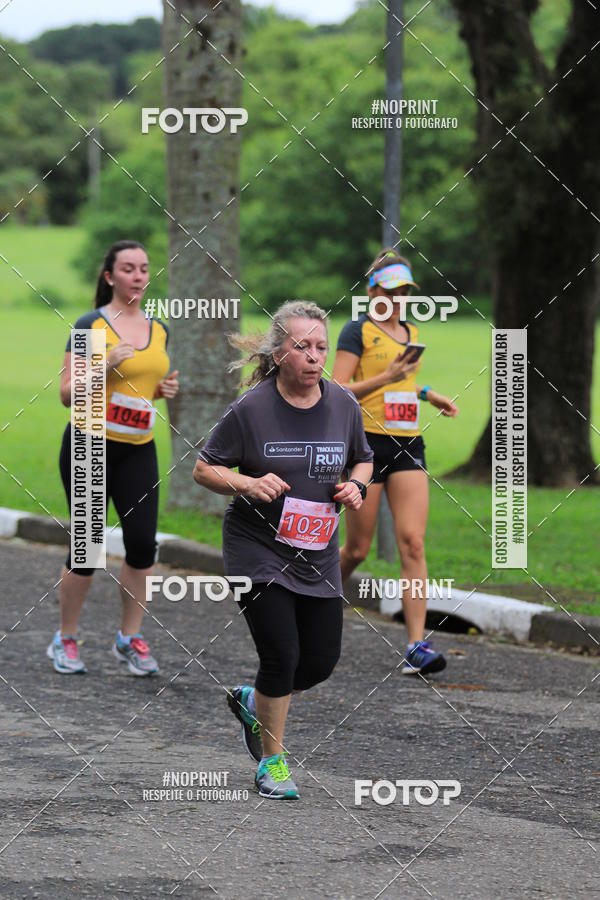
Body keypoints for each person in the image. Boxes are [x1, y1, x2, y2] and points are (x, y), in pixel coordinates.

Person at [193, 301, 373, 799]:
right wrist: (247, 484)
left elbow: (363, 460)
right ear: (277, 354)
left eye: (321, 346)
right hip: (257, 550)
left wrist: (356, 487)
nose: (315, 356)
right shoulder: (250, 410)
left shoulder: (342, 404)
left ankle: (254, 699)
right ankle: (272, 763)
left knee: (318, 663)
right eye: (302, 347)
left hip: (315, 552)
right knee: (282, 654)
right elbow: (205, 470)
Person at [47, 240, 179, 676]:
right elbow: (68, 395)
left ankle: (129, 637)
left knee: (143, 545)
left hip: (139, 447)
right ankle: (65, 638)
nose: (138, 276)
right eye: (128, 268)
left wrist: (161, 391)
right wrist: (104, 366)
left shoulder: (159, 330)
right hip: (89, 443)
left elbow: (142, 385)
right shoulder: (91, 325)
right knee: (87, 548)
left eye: (143, 268)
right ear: (109, 276)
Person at [332, 249, 458, 676]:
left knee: (413, 542)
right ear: (372, 290)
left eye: (404, 292)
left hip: (408, 445)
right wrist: (384, 379)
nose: (398, 299)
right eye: (390, 291)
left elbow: (404, 383)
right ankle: (319, 592)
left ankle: (416, 646)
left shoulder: (410, 331)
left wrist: (427, 395)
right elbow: (337, 391)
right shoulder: (356, 331)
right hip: (364, 446)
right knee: (358, 548)